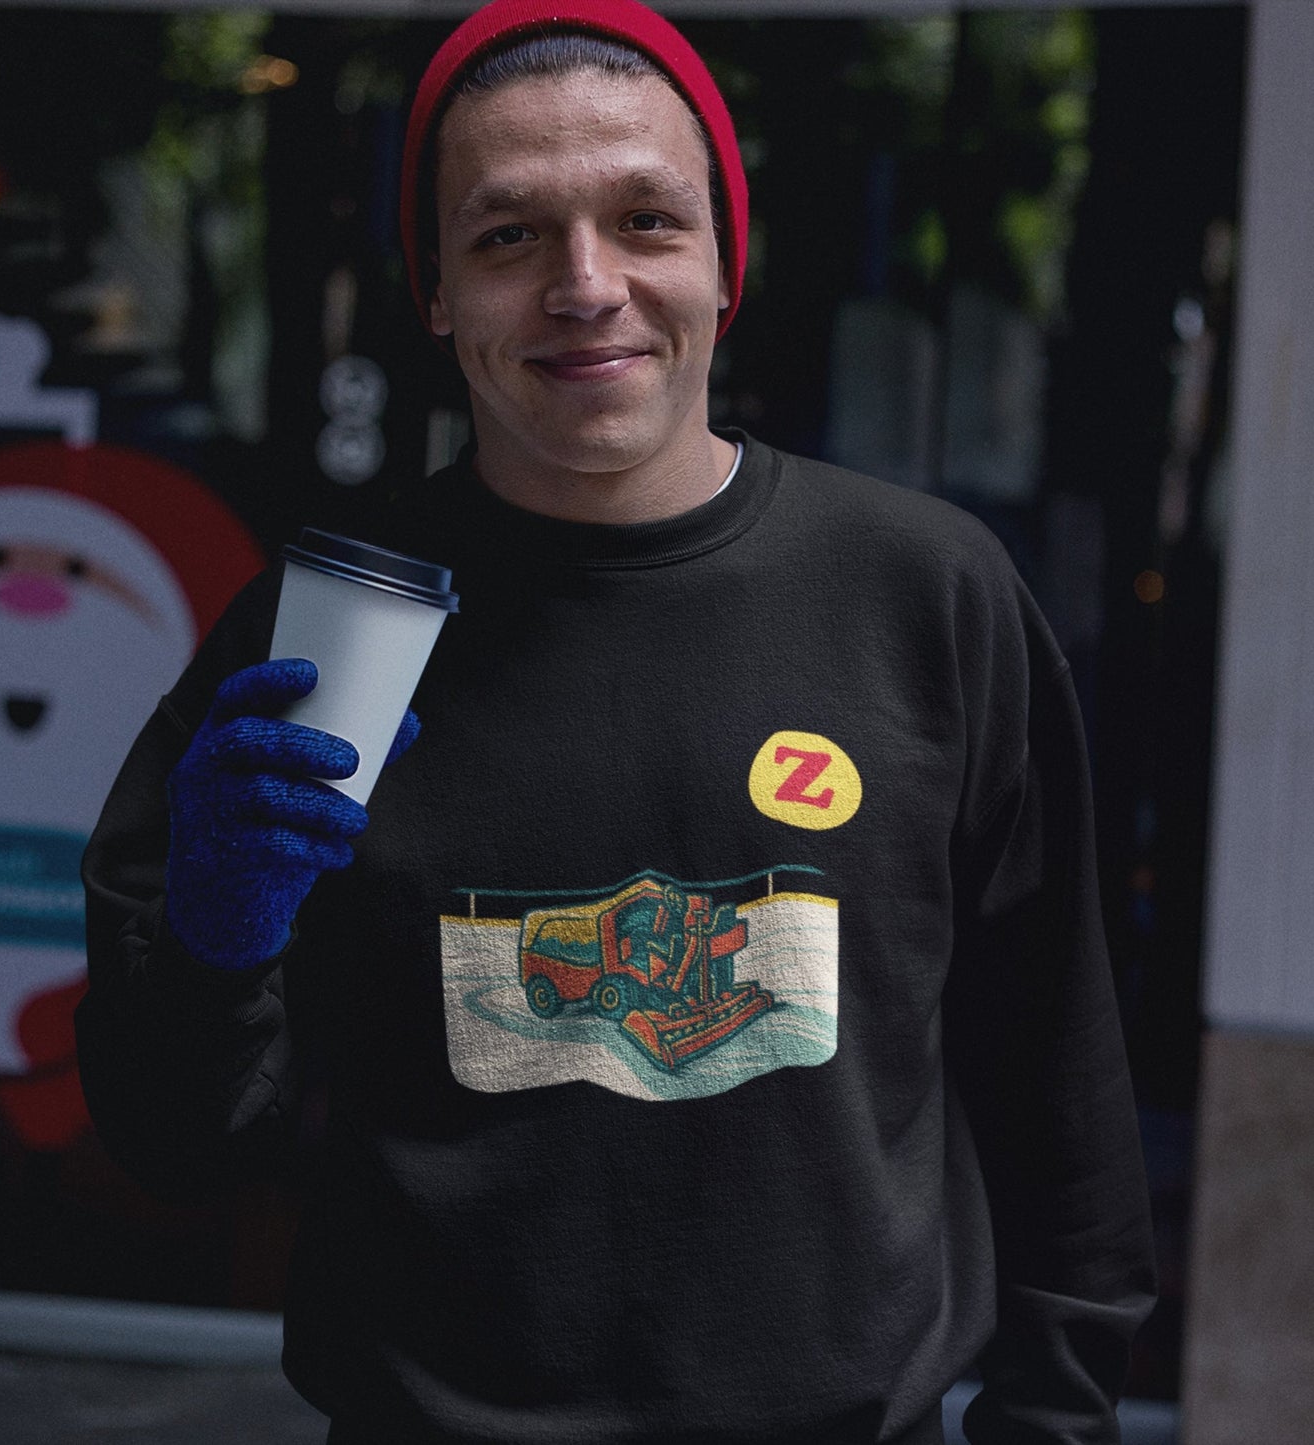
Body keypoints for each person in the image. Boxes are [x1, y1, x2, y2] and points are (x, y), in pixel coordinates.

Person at [76, 2, 1157, 1441]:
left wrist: (1054, 1420)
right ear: (438, 293)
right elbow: (172, 1151)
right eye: (509, 236)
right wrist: (214, 946)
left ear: (724, 264)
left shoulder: (924, 595)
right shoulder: (324, 641)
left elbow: (1058, 1084)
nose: (586, 286)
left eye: (645, 219)